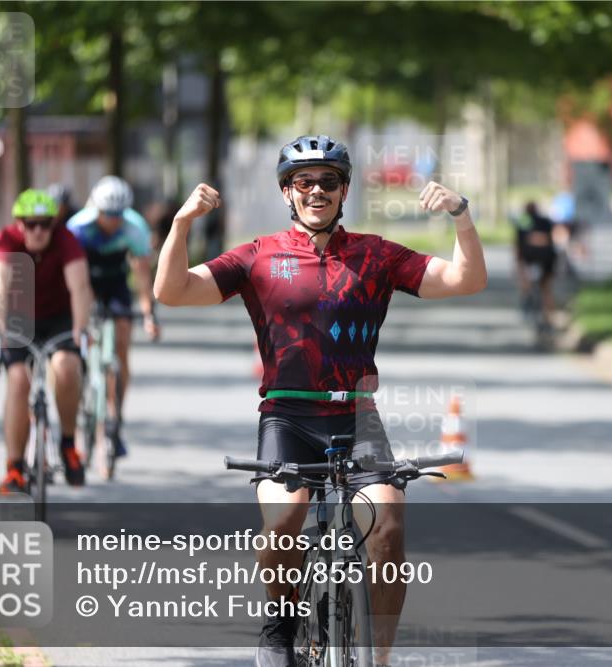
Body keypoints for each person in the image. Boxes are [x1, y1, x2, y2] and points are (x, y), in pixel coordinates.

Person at [154, 134, 487, 667]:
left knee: (388, 528)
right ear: (287, 192)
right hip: (287, 416)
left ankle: (379, 657)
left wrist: (461, 215)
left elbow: (466, 280)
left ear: (344, 190)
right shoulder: (258, 255)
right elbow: (171, 292)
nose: (316, 191)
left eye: (328, 181)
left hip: (358, 418)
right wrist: (180, 224)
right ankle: (280, 627)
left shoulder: (376, 255)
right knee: (283, 522)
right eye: (303, 181)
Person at [0, 189, 93, 493]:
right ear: (19, 224)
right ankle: (14, 468)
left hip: (59, 316)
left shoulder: (65, 239)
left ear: (54, 223)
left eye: (45, 224)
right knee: (18, 380)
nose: (38, 231)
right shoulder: (7, 239)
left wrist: (81, 328)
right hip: (19, 317)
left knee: (66, 368)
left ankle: (69, 445)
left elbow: (80, 287)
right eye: (31, 224)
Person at [66, 175, 160, 459]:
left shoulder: (135, 227)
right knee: (81, 337)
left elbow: (142, 276)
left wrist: (148, 313)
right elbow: (69, 277)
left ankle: (115, 416)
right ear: (96, 209)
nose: (113, 220)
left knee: (122, 343)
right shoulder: (78, 227)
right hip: (86, 282)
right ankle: (82, 382)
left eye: (119, 214)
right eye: (108, 214)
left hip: (117, 282)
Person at [513, 201, 557, 328]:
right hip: (547, 257)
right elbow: (553, 239)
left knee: (526, 282)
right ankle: (550, 318)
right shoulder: (546, 221)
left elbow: (517, 245)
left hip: (530, 258)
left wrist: (518, 264)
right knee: (546, 288)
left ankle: (526, 303)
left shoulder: (522, 222)